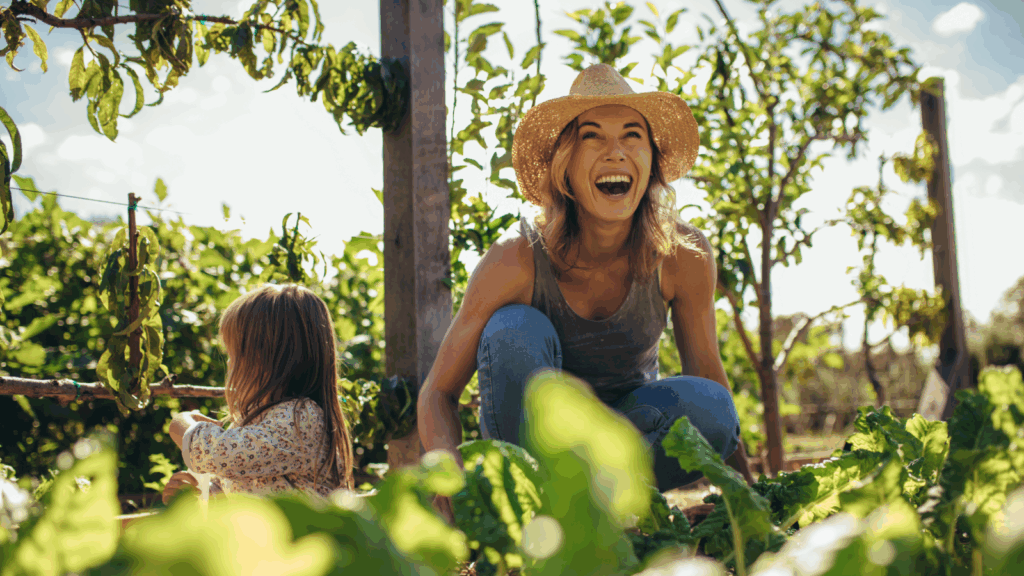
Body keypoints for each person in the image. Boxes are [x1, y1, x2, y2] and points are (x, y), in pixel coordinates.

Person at [417, 63, 754, 521]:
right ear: (565, 167)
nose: (615, 152)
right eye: (593, 137)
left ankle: (594, 510)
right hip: (529, 453)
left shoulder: (682, 254)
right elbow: (437, 393)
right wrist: (446, 466)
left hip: (629, 438)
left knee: (714, 407)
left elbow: (709, 377)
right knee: (514, 328)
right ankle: (536, 513)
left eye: (632, 135)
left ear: (651, 161)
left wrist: (749, 498)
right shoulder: (514, 259)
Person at [162, 284, 354, 504]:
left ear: (264, 360)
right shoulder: (259, 419)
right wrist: (198, 494)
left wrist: (181, 424)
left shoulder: (300, 418)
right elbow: (243, 486)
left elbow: (220, 453)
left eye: (233, 354)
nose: (229, 363)